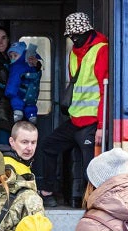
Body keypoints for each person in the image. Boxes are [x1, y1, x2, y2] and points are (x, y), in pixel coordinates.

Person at [35, 12, 109, 208]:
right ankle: (47, 191)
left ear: (88, 32)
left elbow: (104, 90)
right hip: (76, 119)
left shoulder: (101, 50)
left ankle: (91, 206)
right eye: (71, 36)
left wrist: (101, 125)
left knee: (89, 168)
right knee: (48, 145)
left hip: (92, 121)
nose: (74, 39)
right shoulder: (73, 53)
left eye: (77, 35)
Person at [5, 41, 43, 124]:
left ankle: (18, 112)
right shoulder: (31, 65)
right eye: (11, 56)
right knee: (30, 105)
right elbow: (37, 74)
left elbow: (13, 82)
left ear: (22, 55)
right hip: (32, 94)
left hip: (20, 94)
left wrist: (9, 93)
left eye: (15, 55)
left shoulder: (16, 67)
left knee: (16, 100)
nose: (13, 58)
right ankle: (32, 115)